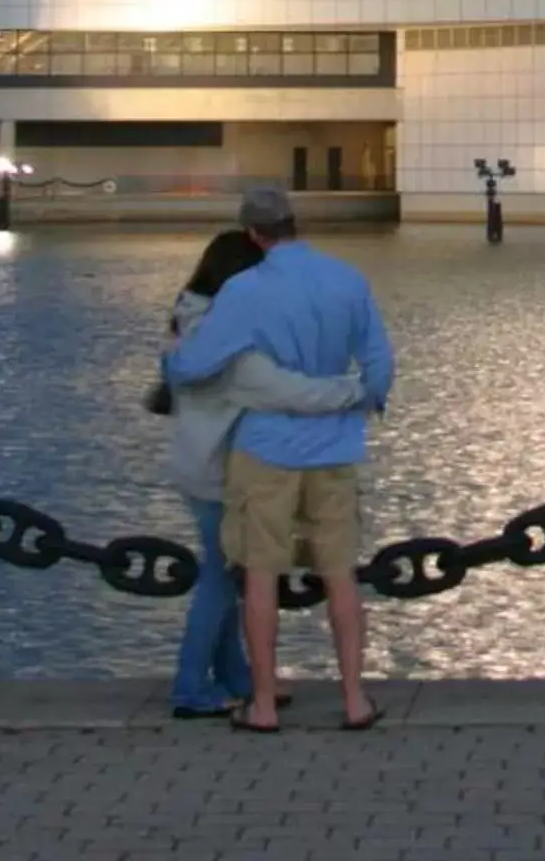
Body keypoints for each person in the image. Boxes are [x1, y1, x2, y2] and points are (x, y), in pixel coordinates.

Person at [166, 186, 395, 733]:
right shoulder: (347, 279)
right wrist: (362, 400)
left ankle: (262, 704)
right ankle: (356, 700)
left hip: (265, 448)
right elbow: (380, 361)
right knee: (340, 574)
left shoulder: (243, 290)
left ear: (252, 233)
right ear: (296, 223)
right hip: (336, 447)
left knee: (260, 575)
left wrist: (171, 359)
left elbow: (195, 365)